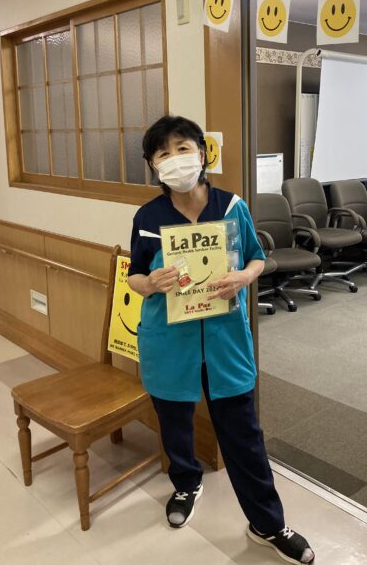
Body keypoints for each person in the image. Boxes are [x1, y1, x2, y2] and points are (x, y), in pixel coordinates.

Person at [128, 115, 315, 565]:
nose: (175, 159)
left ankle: (268, 523)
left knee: (244, 435)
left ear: (202, 152)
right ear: (153, 165)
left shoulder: (231, 207)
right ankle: (185, 484)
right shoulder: (148, 217)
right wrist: (150, 283)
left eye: (183, 148)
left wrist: (243, 278)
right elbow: (134, 275)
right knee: (175, 423)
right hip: (169, 339)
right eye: (163, 153)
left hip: (224, 340)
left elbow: (257, 258)